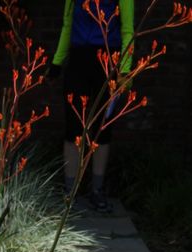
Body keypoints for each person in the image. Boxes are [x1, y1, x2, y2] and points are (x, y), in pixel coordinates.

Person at [50, 0, 134, 211]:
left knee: (102, 128)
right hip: (78, 61)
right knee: (73, 127)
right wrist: (57, 61)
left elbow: (128, 30)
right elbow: (67, 24)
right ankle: (70, 192)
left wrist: (124, 71)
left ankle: (97, 190)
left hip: (108, 60)